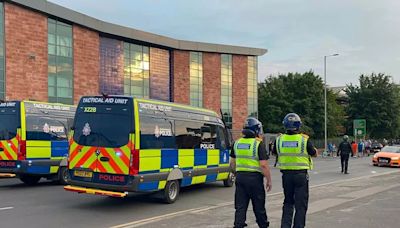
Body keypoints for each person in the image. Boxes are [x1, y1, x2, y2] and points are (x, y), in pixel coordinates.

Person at [272, 113, 317, 228]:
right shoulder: (304, 139)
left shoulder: (279, 140)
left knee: (288, 202)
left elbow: (274, 152)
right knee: (300, 205)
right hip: (300, 175)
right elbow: (314, 153)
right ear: (298, 125)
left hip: (286, 175)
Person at [230, 117, 272, 228]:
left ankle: (238, 225)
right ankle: (263, 225)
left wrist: (236, 173)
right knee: (258, 206)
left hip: (240, 178)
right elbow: (263, 165)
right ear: (256, 130)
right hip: (255, 180)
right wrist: (269, 180)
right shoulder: (258, 144)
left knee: (240, 206)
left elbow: (232, 163)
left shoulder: (236, 143)